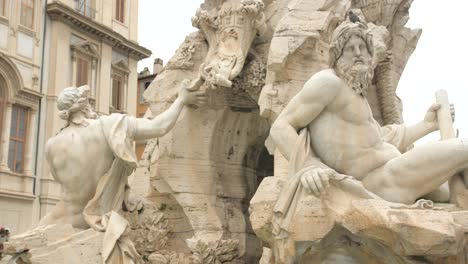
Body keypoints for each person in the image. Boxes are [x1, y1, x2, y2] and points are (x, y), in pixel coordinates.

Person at [270, 18, 464, 207]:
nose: (358, 53)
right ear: (337, 55)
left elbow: (381, 139)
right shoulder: (328, 82)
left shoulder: (356, 94)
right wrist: (308, 166)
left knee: (457, 188)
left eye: (362, 47)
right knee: (463, 149)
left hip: (397, 175)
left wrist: (426, 126)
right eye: (350, 48)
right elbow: (280, 127)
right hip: (383, 181)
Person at [39, 83, 205, 263]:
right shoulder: (110, 126)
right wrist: (181, 99)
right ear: (85, 105)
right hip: (98, 229)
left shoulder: (51, 145)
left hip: (59, 226)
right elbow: (159, 127)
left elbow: (58, 179)